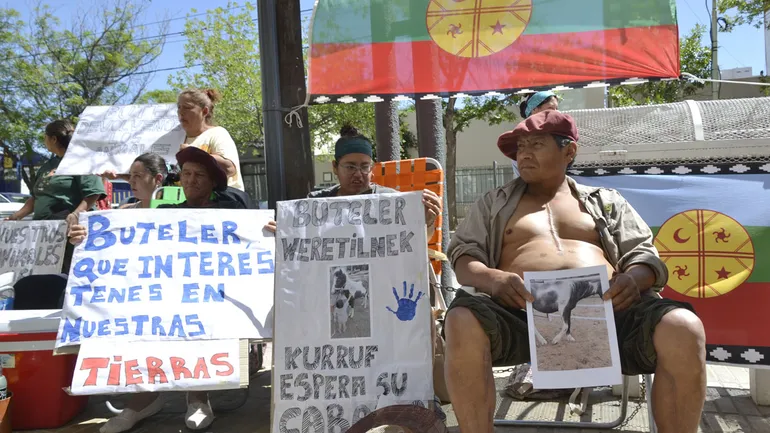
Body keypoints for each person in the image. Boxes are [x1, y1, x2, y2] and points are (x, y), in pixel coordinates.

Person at [443, 110, 706, 433]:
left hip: (609, 310)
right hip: (517, 313)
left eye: (536, 144)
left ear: (569, 151)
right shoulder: (492, 203)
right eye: (520, 147)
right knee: (461, 319)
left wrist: (633, 279)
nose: (523, 153)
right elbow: (464, 255)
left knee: (684, 326)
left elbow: (644, 255)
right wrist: (492, 279)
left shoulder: (606, 201)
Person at [70, 148, 243, 433]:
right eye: (186, 174)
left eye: (199, 175)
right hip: (167, 295)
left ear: (213, 182)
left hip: (212, 298)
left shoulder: (232, 209)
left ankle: (198, 398)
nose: (191, 180)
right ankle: (142, 401)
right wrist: (88, 237)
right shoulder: (164, 214)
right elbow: (123, 245)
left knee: (203, 316)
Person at [265, 126, 442, 236]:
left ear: (372, 168)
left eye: (365, 167)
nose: (358, 174)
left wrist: (426, 222)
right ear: (335, 167)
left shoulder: (393, 201)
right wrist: (285, 232)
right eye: (350, 167)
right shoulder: (316, 203)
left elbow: (418, 240)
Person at [6, 120, 106, 222]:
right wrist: (15, 216)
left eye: (45, 137)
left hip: (72, 228)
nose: (43, 140)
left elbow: (94, 193)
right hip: (43, 228)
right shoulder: (47, 166)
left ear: (53, 139)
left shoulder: (81, 162)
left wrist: (76, 214)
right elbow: (36, 197)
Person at [177, 88, 245, 191]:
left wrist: (194, 153)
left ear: (204, 111)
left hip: (222, 200)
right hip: (188, 201)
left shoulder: (217, 133)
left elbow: (229, 168)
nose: (181, 112)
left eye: (187, 107)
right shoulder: (178, 139)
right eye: (179, 107)